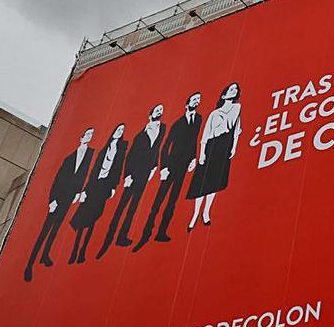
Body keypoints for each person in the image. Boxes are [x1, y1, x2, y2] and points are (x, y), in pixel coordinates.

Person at [134, 92, 202, 251]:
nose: (197, 102)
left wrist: (193, 158)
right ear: (187, 104)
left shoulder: (198, 119)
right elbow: (165, 147)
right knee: (158, 201)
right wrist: (163, 167)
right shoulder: (177, 123)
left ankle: (162, 232)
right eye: (194, 99)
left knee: (173, 200)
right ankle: (146, 234)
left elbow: (194, 140)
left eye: (198, 100)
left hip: (184, 166)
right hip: (170, 166)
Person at [24, 128, 94, 281]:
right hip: (58, 198)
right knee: (45, 230)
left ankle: (45, 255)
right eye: (87, 133)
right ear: (81, 137)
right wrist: (52, 200)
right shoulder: (69, 158)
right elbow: (58, 180)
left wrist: (80, 192)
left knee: (56, 228)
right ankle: (30, 264)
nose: (90, 136)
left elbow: (86, 175)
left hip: (70, 198)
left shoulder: (90, 154)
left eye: (91, 134)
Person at [96, 105, 166, 258]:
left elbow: (158, 149)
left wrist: (154, 167)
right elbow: (130, 156)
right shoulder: (140, 135)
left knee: (133, 207)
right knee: (121, 207)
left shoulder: (163, 129)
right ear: (150, 115)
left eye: (161, 110)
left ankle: (122, 236)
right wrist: (127, 175)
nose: (160, 112)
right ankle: (109, 238)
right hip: (133, 175)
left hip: (145, 174)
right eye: (157, 110)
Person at [68, 124, 125, 264]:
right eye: (118, 129)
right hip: (93, 186)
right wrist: (86, 190)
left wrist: (113, 187)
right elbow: (94, 171)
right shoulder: (104, 149)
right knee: (82, 218)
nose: (120, 132)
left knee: (93, 219)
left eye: (122, 130)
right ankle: (75, 249)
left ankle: (82, 251)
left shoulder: (121, 149)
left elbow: (118, 169)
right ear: (113, 131)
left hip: (104, 187)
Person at [187, 83, 241, 230]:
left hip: (225, 146)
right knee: (201, 183)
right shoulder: (214, 113)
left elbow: (237, 129)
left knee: (214, 182)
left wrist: (234, 147)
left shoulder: (237, 108)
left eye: (235, 89)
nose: (234, 91)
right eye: (231, 89)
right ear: (223, 95)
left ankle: (206, 213)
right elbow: (205, 135)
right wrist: (202, 153)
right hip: (212, 146)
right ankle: (195, 214)